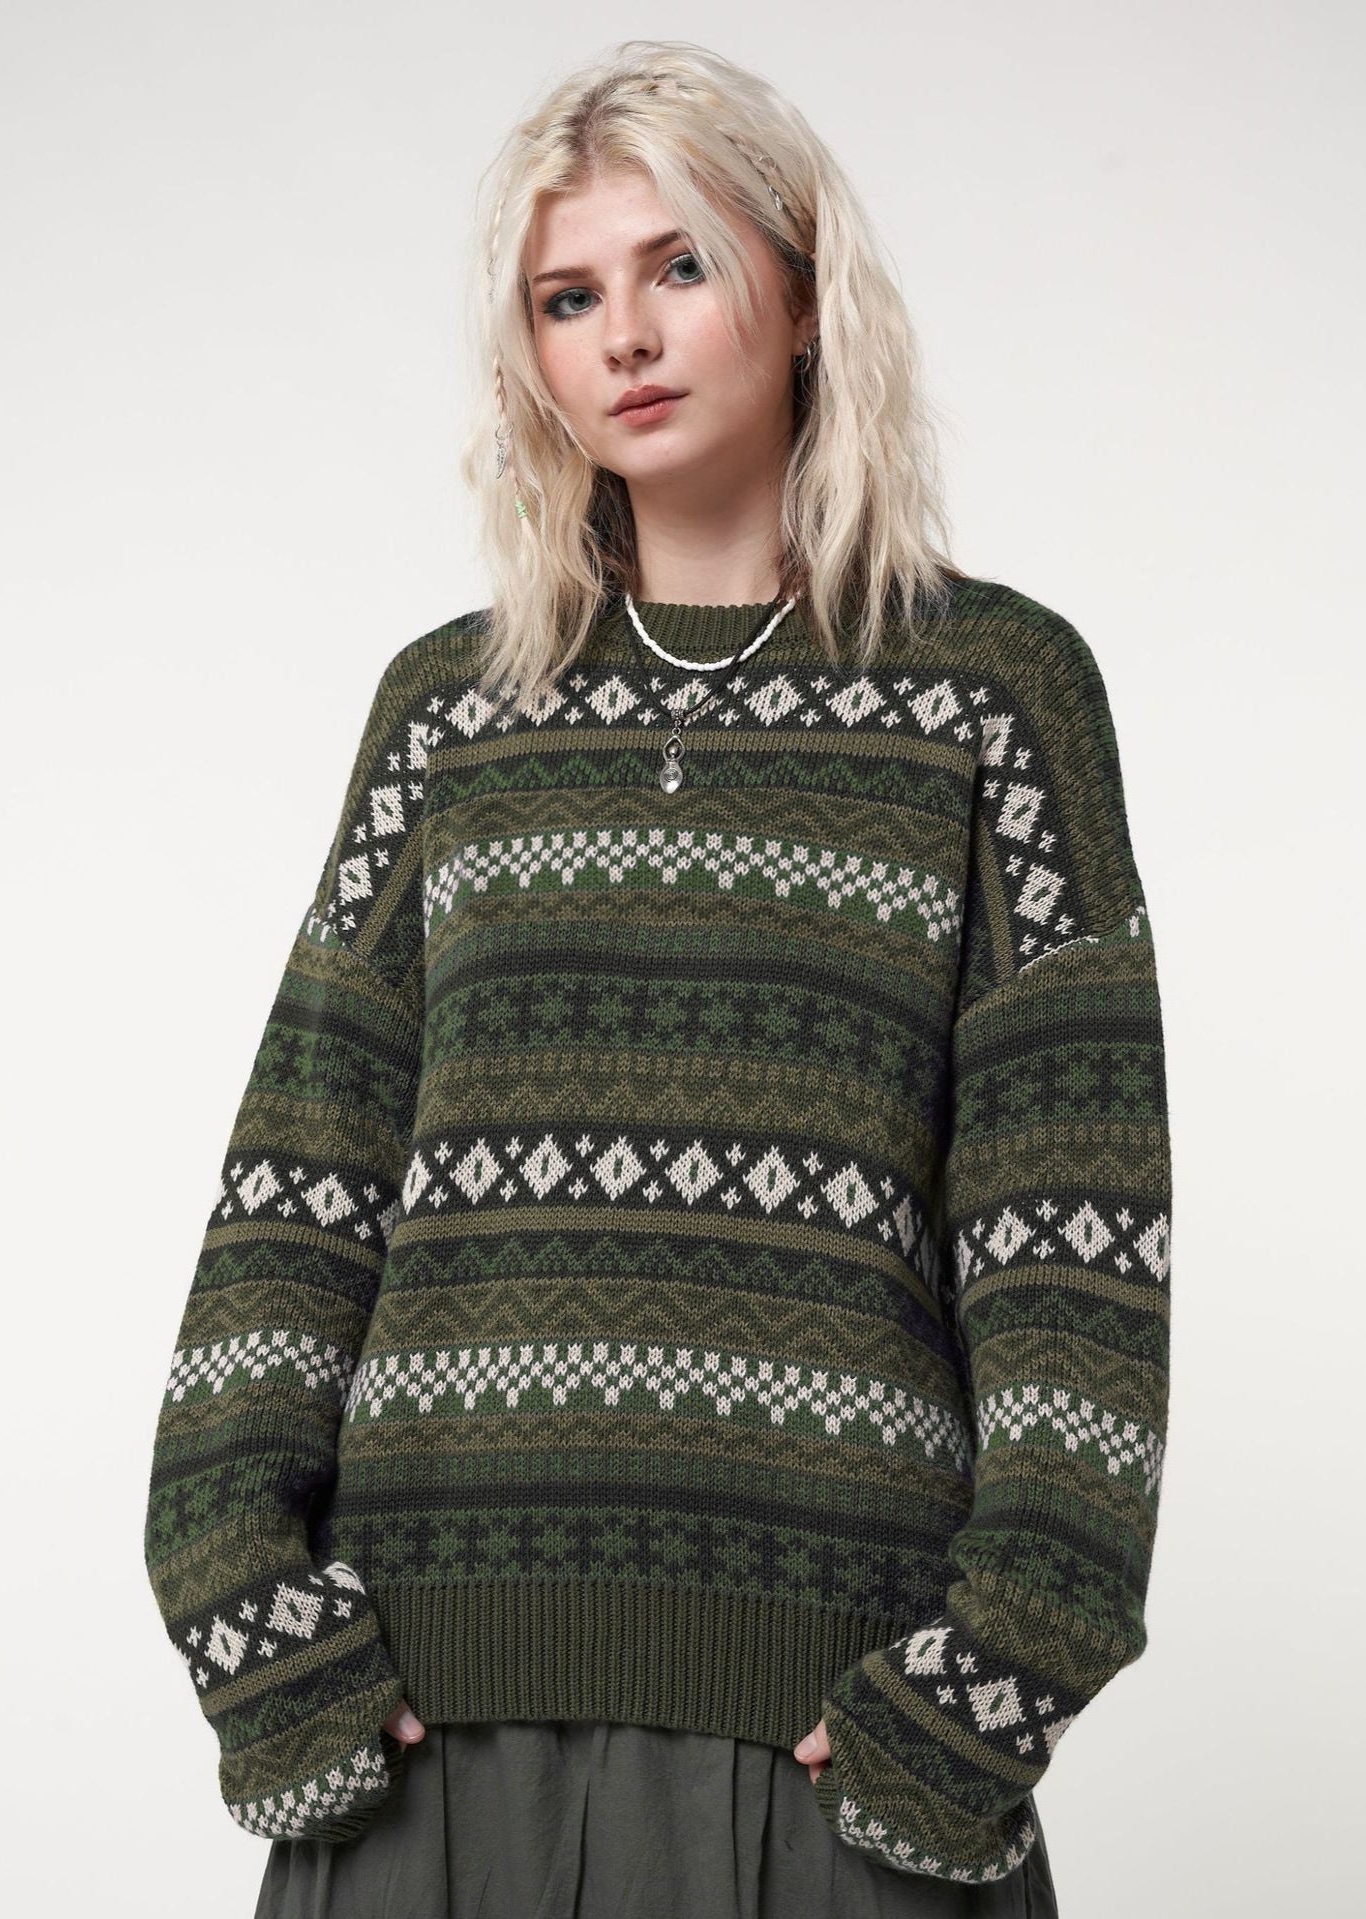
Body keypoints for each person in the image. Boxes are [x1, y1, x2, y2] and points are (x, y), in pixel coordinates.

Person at [142, 36, 1171, 1919]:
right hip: (425, 1745)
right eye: (568, 296)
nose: (624, 333)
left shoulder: (995, 698)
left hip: (831, 1752)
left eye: (679, 266)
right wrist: (250, 1615)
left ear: (803, 288)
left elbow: (1076, 1248)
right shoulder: (450, 715)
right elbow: (297, 1192)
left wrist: (984, 1685)